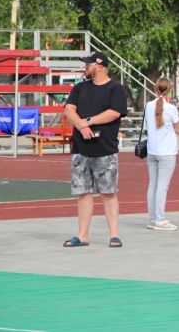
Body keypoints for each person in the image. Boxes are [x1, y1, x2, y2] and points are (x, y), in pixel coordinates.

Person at [63, 51, 128, 248]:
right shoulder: (80, 88)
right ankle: (82, 236)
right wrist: (82, 127)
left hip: (105, 149)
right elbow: (68, 110)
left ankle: (114, 235)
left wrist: (88, 121)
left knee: (108, 193)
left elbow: (114, 113)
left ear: (99, 66)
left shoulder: (115, 89)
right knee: (83, 192)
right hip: (80, 149)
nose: (86, 67)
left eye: (89, 64)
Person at [145, 77, 179, 231]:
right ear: (169, 90)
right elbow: (178, 129)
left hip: (152, 150)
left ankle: (153, 218)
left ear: (155, 89)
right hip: (167, 152)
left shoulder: (148, 106)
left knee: (153, 185)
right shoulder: (171, 109)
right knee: (162, 187)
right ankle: (160, 219)